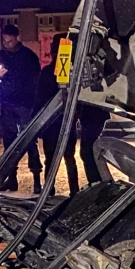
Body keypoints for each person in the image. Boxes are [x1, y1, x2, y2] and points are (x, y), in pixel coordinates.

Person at [35, 33, 106, 191]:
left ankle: (51, 191)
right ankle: (69, 191)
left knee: (54, 159)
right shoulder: (62, 73)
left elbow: (40, 99)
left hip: (54, 123)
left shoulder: (51, 72)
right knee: (67, 158)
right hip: (62, 123)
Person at [0, 23, 41, 191]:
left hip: (26, 103)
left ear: (17, 38)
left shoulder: (28, 56)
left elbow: (36, 79)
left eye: (9, 40)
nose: (6, 43)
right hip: (8, 104)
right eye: (4, 40)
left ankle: (37, 180)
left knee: (29, 140)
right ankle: (11, 179)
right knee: (9, 143)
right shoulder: (0, 56)